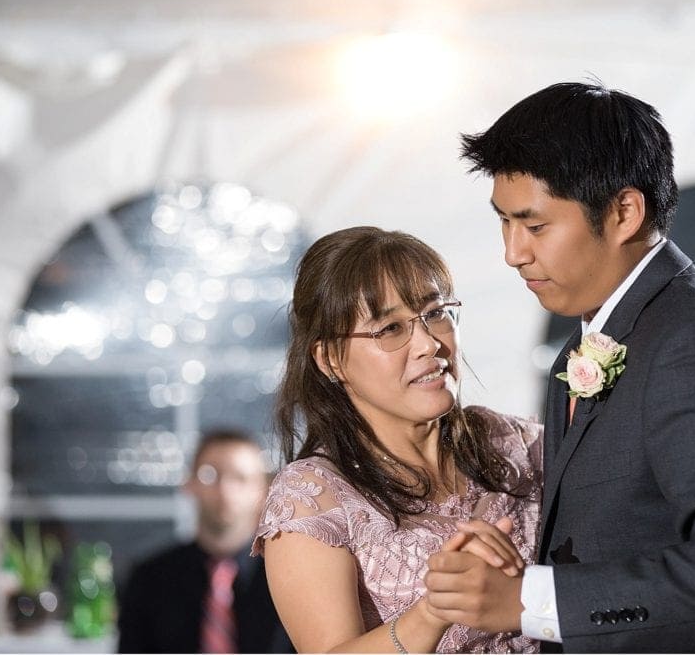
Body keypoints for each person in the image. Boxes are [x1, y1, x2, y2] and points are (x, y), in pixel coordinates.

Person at [423, 81, 695, 653]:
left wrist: (532, 601)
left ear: (623, 212)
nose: (513, 252)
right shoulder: (587, 344)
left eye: (535, 226)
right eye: (504, 223)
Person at [251, 226, 543, 653]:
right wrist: (433, 611)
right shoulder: (311, 496)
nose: (428, 343)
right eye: (390, 328)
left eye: (436, 312)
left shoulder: (517, 442)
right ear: (330, 359)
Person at [118, 429, 292, 653]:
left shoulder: (287, 579)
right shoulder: (149, 578)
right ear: (189, 483)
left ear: (263, 491)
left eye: (240, 478)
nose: (225, 489)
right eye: (210, 475)